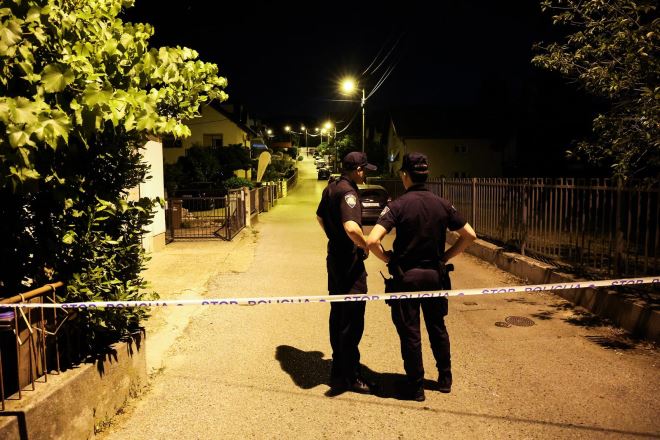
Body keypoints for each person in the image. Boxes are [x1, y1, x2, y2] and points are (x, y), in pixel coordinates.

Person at [366, 152, 477, 401]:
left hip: (406, 279)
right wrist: (445, 257)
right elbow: (470, 235)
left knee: (411, 333)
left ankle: (415, 387)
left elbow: (372, 240)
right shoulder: (442, 204)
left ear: (405, 175)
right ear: (425, 174)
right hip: (435, 277)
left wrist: (388, 259)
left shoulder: (397, 206)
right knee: (437, 328)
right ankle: (445, 378)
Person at [316, 151, 377, 396]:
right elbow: (351, 228)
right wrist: (364, 245)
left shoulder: (331, 187)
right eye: (365, 170)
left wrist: (334, 237)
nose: (366, 175)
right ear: (358, 170)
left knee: (338, 314)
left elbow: (319, 217)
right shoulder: (348, 192)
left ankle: (338, 369)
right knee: (352, 320)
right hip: (348, 263)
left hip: (334, 259)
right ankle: (350, 376)